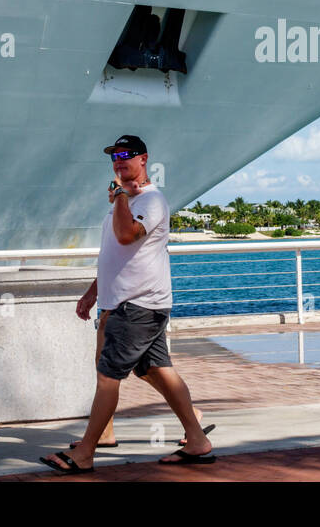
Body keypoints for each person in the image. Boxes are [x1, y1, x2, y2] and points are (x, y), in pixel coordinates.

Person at [39, 134, 214, 474]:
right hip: (126, 301)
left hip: (137, 305)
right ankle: (197, 440)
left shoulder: (151, 202)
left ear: (143, 159)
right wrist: (93, 292)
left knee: (108, 377)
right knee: (155, 370)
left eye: (126, 155)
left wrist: (120, 195)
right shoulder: (126, 201)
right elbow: (115, 254)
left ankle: (86, 452)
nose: (119, 161)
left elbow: (126, 235)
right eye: (114, 157)